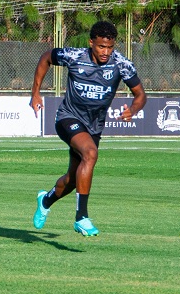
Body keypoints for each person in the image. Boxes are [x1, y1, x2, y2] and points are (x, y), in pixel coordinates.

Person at [30, 20, 147, 236]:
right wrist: (35, 93)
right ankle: (81, 217)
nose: (106, 52)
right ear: (91, 42)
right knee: (91, 154)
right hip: (68, 118)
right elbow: (46, 57)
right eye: (101, 46)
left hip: (93, 127)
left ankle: (45, 200)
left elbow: (140, 95)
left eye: (110, 47)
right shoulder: (74, 56)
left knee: (73, 180)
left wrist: (133, 109)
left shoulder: (121, 64)